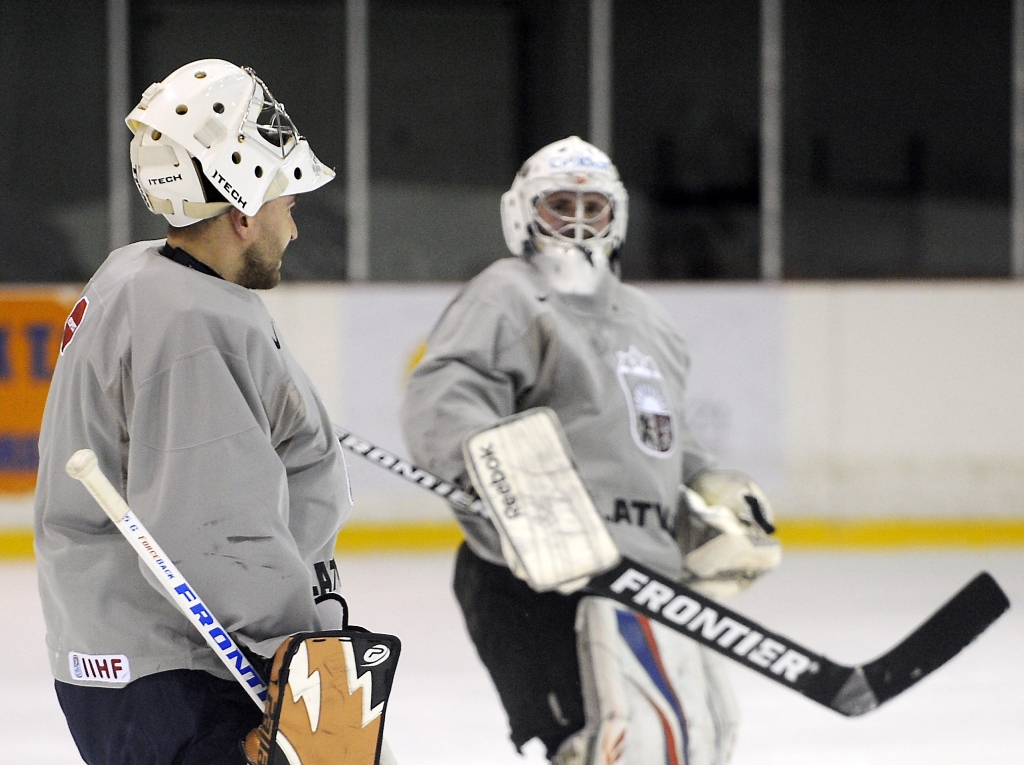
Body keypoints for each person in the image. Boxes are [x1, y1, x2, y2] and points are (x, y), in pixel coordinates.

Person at [400, 136, 780, 765]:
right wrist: (495, 467)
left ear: (617, 217)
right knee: (594, 748)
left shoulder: (649, 320)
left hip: (649, 579)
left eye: (592, 206)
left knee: (690, 743)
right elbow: (447, 396)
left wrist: (712, 483)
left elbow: (657, 433)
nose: (577, 221)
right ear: (522, 214)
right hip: (536, 580)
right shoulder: (508, 294)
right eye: (559, 205)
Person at [34, 59, 348, 765]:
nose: (292, 228)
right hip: (182, 668)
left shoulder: (138, 272)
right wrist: (303, 655)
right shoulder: (192, 322)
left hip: (133, 660)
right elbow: (214, 527)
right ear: (240, 212)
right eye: (285, 202)